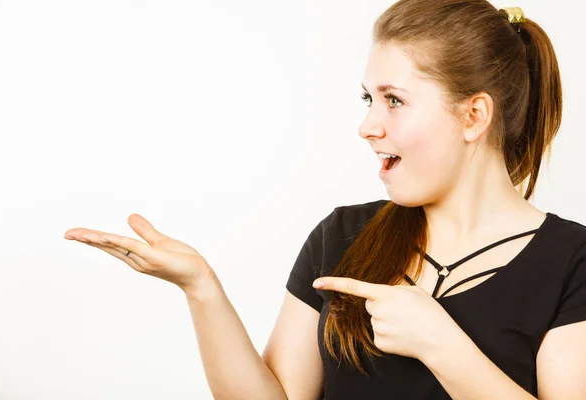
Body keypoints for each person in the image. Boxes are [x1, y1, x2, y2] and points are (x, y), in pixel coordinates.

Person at [64, 0, 586, 398]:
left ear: (474, 115)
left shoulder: (572, 263)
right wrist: (201, 287)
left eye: (394, 100)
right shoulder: (342, 236)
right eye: (368, 99)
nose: (367, 125)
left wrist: (441, 345)